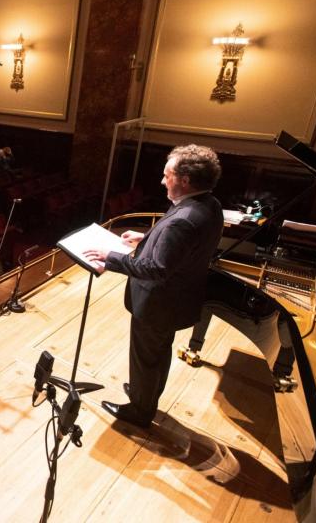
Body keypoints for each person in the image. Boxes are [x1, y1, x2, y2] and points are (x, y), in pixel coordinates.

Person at [83, 144, 225, 429]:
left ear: (184, 180)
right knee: (158, 353)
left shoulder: (182, 220)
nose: (162, 181)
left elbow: (156, 269)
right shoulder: (209, 205)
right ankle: (145, 395)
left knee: (147, 356)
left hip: (158, 302)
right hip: (178, 298)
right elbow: (180, 245)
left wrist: (111, 257)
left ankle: (140, 409)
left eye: (167, 175)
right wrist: (146, 239)